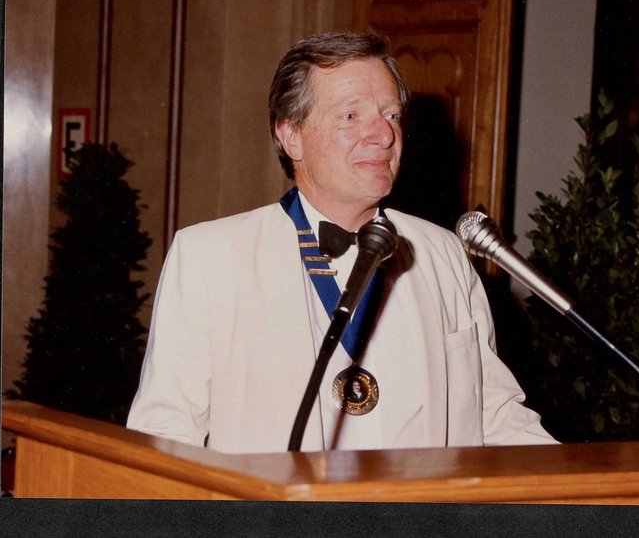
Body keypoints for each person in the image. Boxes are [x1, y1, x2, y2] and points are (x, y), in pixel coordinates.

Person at [127, 31, 555, 453]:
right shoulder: (210, 257)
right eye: (351, 116)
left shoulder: (443, 253)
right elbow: (165, 435)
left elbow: (495, 415)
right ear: (291, 136)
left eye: (391, 115)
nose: (384, 135)